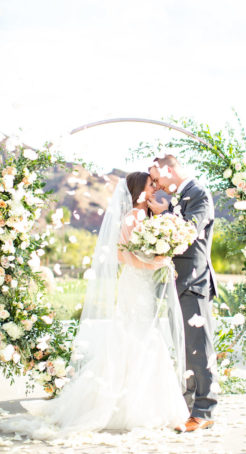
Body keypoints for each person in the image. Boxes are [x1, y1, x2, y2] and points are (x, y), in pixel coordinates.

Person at [0, 172, 189, 440]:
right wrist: (159, 262)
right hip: (135, 286)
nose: (155, 188)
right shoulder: (132, 218)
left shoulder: (147, 218)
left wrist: (161, 252)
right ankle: (128, 406)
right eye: (151, 184)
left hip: (143, 286)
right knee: (137, 338)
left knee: (144, 337)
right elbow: (124, 256)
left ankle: (142, 402)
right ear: (138, 191)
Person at [149, 155, 218, 433]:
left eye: (157, 177)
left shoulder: (199, 193)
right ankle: (189, 407)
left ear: (170, 169)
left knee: (200, 348)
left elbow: (187, 232)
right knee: (185, 348)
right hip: (177, 282)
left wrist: (163, 215)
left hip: (194, 281)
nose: (157, 184)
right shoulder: (179, 196)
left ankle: (204, 410)